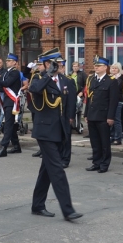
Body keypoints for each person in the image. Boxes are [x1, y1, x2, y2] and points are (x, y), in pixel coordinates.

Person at [29, 48, 81, 221]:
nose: (57, 66)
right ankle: (68, 210)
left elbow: (68, 104)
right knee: (57, 169)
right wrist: (47, 75)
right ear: (46, 64)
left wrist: (69, 124)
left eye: (58, 63)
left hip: (59, 131)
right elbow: (34, 90)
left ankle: (37, 205)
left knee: (46, 170)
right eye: (54, 63)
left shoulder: (65, 81)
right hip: (44, 131)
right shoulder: (38, 78)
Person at [84, 55, 119, 173]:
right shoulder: (92, 80)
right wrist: (86, 113)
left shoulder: (111, 81)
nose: (96, 67)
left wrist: (110, 117)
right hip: (92, 114)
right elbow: (89, 98)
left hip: (103, 116)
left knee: (104, 142)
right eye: (95, 66)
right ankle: (96, 162)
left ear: (105, 67)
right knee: (94, 141)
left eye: (98, 66)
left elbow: (113, 101)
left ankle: (104, 164)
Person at [0, 53, 22, 157]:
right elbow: (2, 86)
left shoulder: (15, 73)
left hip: (12, 102)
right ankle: (16, 146)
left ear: (14, 62)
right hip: (7, 101)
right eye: (7, 60)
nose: (7, 62)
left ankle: (3, 147)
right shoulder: (6, 73)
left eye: (9, 61)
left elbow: (6, 83)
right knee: (11, 125)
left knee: (8, 125)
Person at [56, 56, 76, 167]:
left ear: (63, 67)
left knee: (66, 137)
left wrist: (71, 116)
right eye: (57, 66)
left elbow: (72, 100)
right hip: (54, 114)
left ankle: (65, 158)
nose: (59, 68)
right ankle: (57, 156)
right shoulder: (52, 80)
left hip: (65, 113)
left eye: (60, 66)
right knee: (56, 136)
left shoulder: (68, 81)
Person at [109, 62, 123, 145]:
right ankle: (112, 136)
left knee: (117, 120)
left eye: (115, 68)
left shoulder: (119, 79)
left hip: (118, 101)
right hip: (111, 101)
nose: (114, 69)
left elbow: (116, 90)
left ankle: (118, 138)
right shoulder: (111, 78)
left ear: (119, 69)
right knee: (112, 119)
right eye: (113, 68)